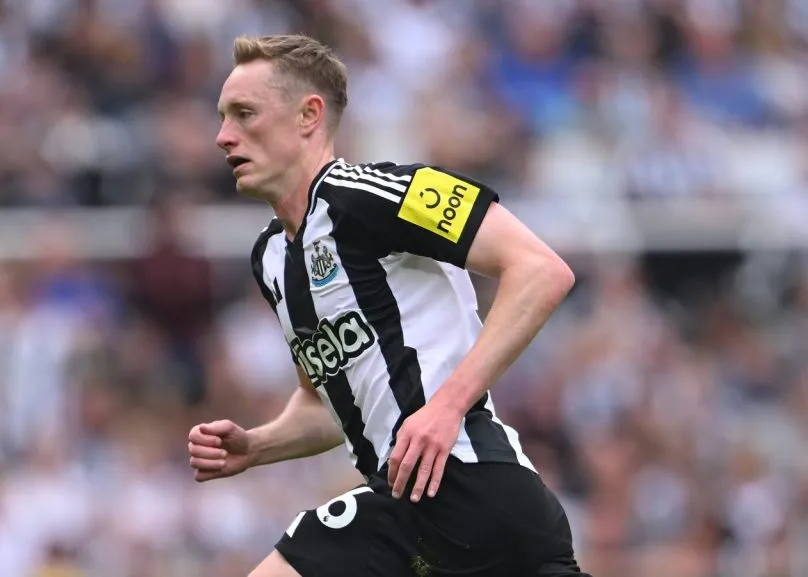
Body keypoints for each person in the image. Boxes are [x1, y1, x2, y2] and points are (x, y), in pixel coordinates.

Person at [188, 34, 588, 577]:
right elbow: (329, 406)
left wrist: (446, 407)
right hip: (425, 510)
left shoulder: (375, 194)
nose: (223, 136)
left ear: (308, 115)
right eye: (222, 117)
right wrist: (258, 446)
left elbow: (541, 271)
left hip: (469, 486)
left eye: (244, 114)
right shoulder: (271, 258)